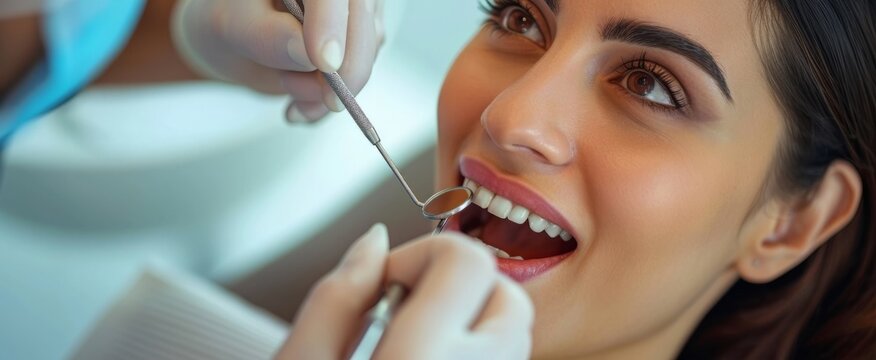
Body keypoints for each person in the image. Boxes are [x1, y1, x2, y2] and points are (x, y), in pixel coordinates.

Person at [271, 0, 876, 358]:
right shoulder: (417, 196)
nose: (508, 117)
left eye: (650, 85)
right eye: (522, 18)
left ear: (795, 223)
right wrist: (179, 37)